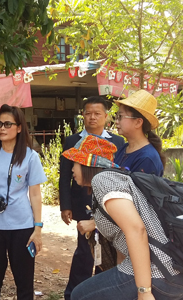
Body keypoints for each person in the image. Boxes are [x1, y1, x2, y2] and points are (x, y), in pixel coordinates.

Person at [62, 134, 183, 300]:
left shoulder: (102, 180)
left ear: (88, 163)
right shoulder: (116, 179)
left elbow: (136, 230)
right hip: (178, 272)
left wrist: (144, 291)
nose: (71, 169)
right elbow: (124, 237)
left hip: (161, 273)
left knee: (80, 295)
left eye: (75, 162)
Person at [0, 104, 47, 300]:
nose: (2, 128)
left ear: (19, 127)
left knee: (24, 285)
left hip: (22, 227)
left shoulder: (30, 156)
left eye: (7, 124)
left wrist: (37, 229)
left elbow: (35, 195)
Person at [59, 96, 125, 300]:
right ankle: (75, 293)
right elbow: (64, 177)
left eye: (97, 114)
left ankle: (98, 291)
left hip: (108, 207)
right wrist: (66, 205)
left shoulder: (117, 142)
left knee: (107, 252)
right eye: (88, 113)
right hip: (82, 204)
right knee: (84, 251)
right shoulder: (72, 141)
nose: (92, 117)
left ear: (106, 117)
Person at [114, 89, 165, 175]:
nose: (116, 121)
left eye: (121, 116)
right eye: (117, 116)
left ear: (138, 122)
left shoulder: (147, 159)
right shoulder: (124, 149)